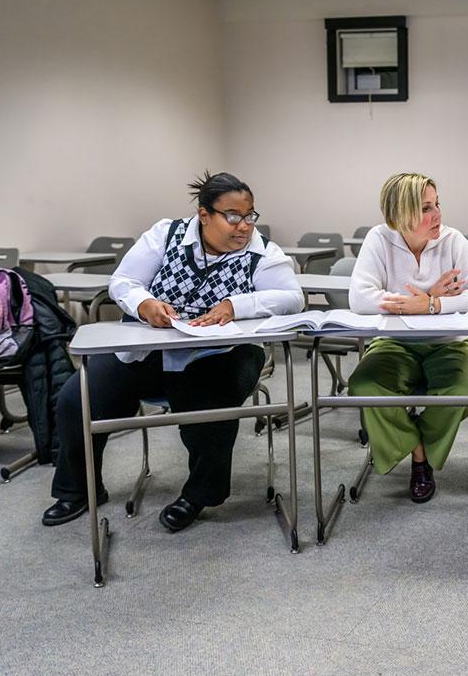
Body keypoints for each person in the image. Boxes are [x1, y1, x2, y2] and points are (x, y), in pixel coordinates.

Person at [43, 172, 304, 532]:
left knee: (212, 403)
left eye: (249, 216)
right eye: (232, 216)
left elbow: (292, 297)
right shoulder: (165, 235)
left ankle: (198, 494)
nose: (243, 226)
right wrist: (144, 302)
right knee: (78, 399)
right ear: (204, 214)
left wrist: (236, 304)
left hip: (223, 352)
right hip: (149, 345)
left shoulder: (262, 251)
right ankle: (78, 489)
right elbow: (123, 282)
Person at [347, 172, 468, 503]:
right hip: (394, 343)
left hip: (452, 342)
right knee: (364, 386)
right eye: (425, 208)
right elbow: (359, 298)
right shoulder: (379, 239)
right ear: (399, 214)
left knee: (465, 389)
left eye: (437, 204)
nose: (437, 215)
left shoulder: (452, 240)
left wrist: (432, 304)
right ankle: (419, 450)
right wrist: (419, 301)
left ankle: (420, 458)